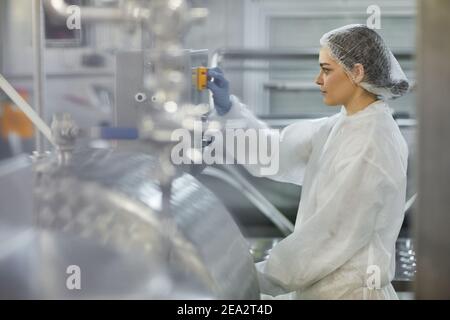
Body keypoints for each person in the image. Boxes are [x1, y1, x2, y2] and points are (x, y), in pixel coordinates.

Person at [206, 24, 409, 299]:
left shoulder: (371, 144)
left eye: (327, 70)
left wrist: (252, 278)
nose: (318, 79)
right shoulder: (344, 124)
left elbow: (330, 236)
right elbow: (275, 151)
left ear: (357, 72)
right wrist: (228, 111)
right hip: (324, 287)